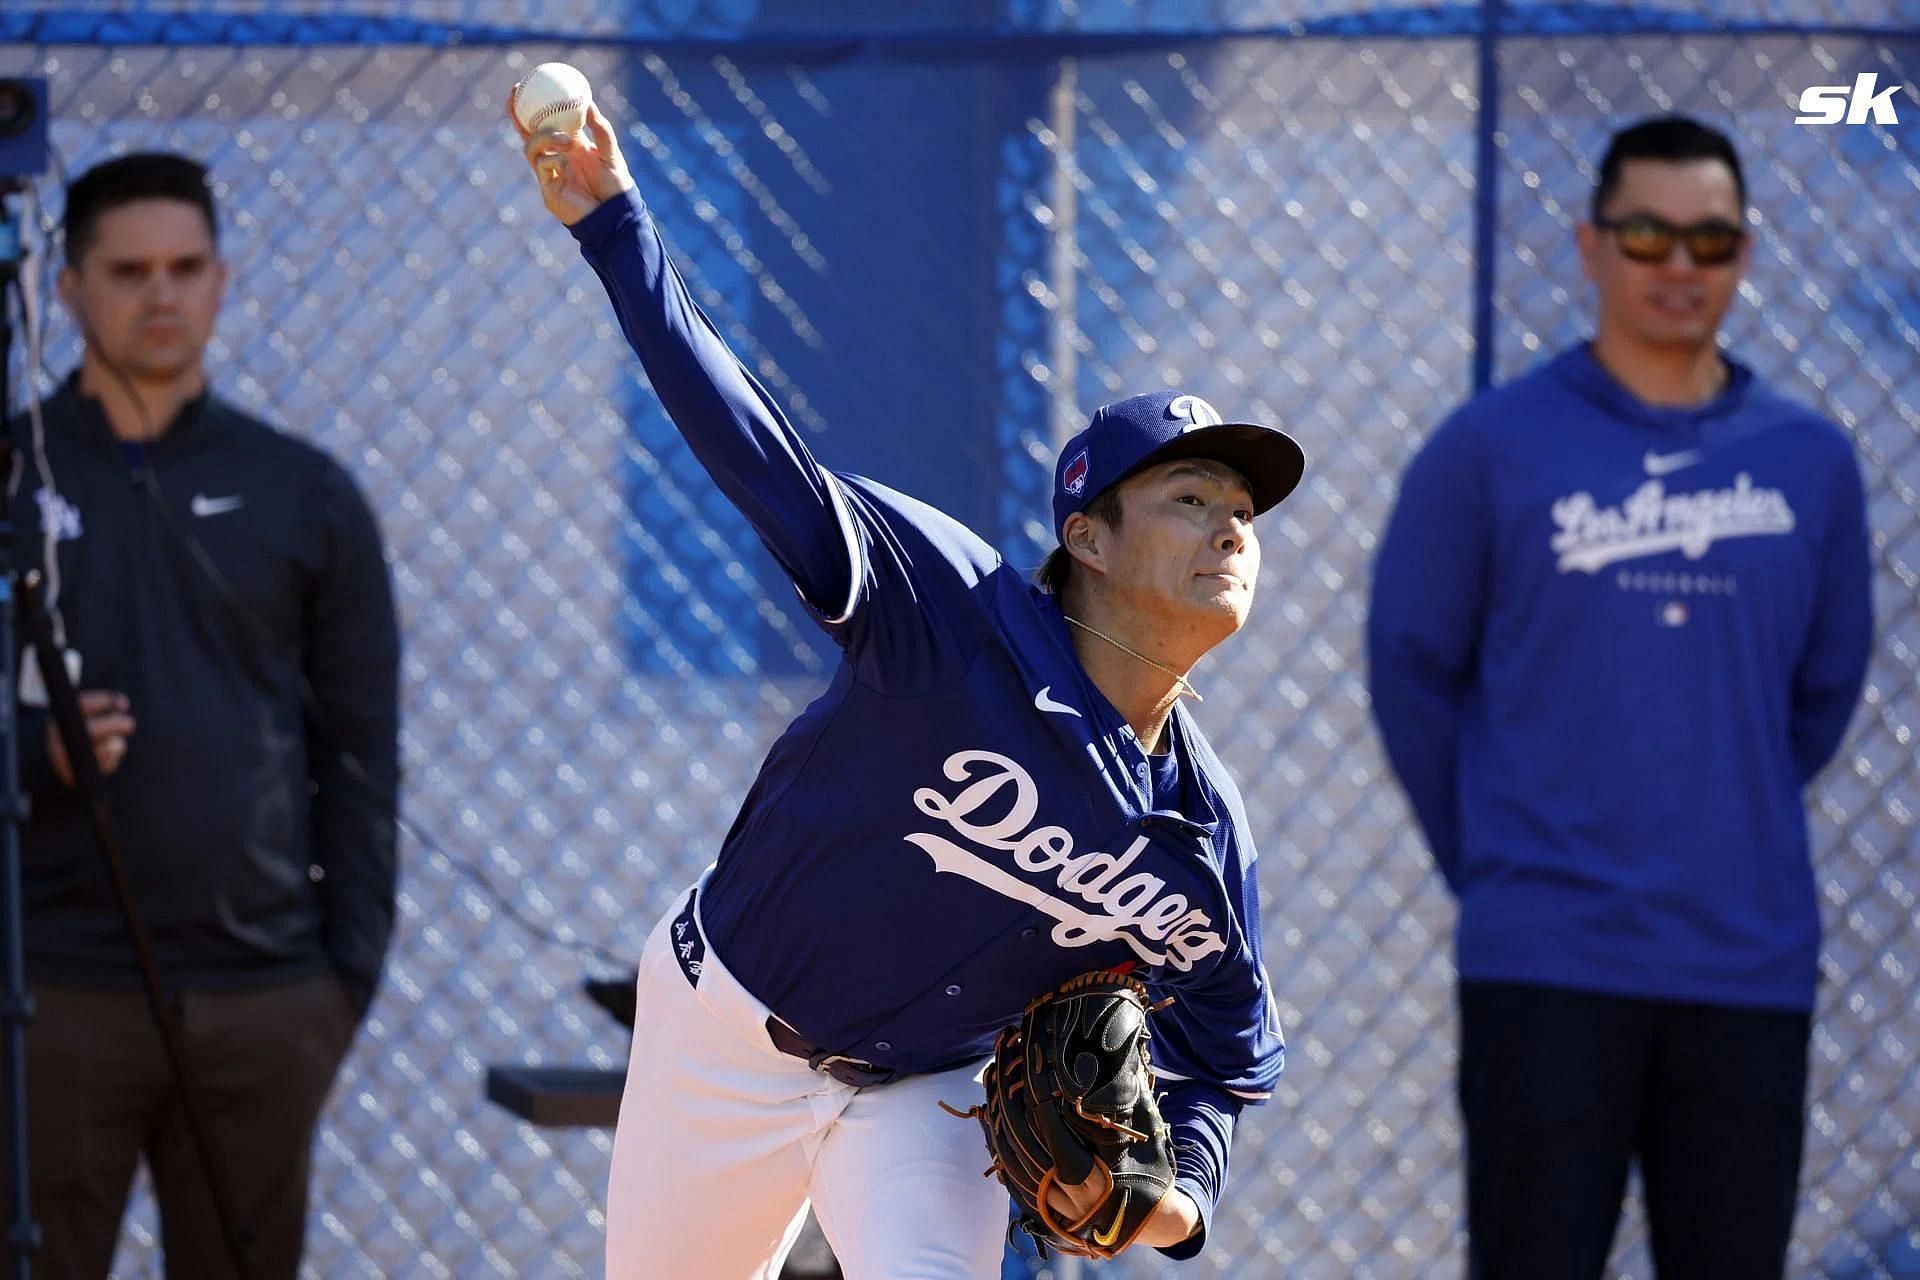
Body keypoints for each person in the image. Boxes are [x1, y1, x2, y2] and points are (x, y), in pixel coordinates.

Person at [511, 91, 1303, 1279]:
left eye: (1242, 511)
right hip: (726, 1034)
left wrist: (1174, 1203)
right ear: (1086, 537)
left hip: (929, 1097)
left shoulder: (1198, 829)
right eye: (1189, 496)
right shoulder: (951, 616)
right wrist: (618, 230)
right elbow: (754, 450)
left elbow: (1225, 1055)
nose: (1229, 527)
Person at [1368, 116, 1873, 1279]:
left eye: (1712, 239)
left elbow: (1823, 688)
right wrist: (1498, 853)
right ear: (1592, 246)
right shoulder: (1492, 448)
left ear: (1746, 253)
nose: (1681, 266)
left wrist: (1714, 803)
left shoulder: (1811, 462)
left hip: (1744, 960)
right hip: (1547, 955)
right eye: (1649, 235)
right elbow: (1410, 665)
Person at [2, 152, 402, 1278]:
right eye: (128, 271)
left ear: (223, 280)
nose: (161, 294)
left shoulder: (304, 491)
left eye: (186, 266)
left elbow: (364, 754)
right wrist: (35, 750)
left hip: (261, 1000)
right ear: (69, 289)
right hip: (51, 998)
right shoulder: (11, 477)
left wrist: (340, 983)